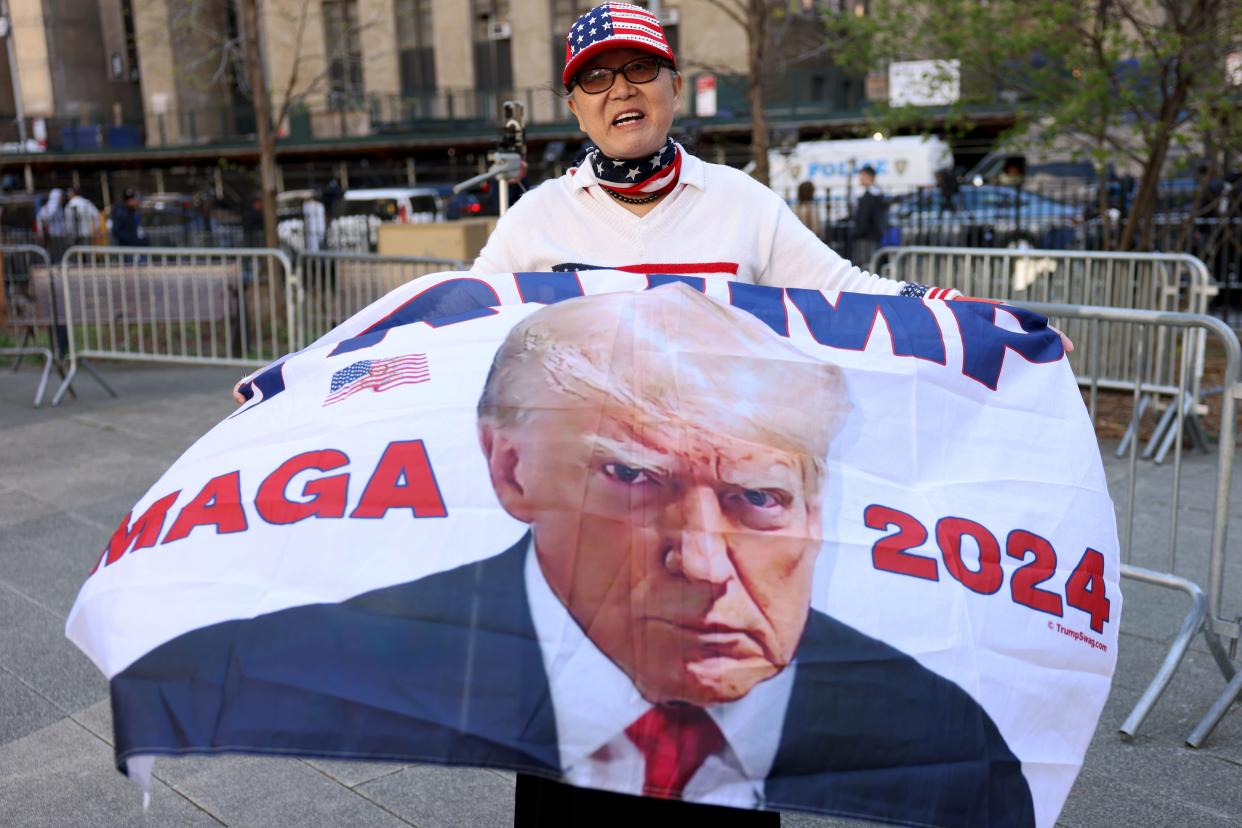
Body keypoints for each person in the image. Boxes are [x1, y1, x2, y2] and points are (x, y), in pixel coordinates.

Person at [125, 286, 1035, 827]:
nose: (706, 562)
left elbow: (847, 298)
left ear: (817, 505)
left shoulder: (951, 731)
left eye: (760, 496)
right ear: (511, 466)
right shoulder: (282, 660)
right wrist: (314, 375)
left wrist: (944, 318)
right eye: (635, 478)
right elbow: (439, 329)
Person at [851, 165, 887, 267]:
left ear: (868, 176)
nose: (860, 178)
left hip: (866, 237)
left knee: (865, 265)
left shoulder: (870, 195)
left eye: (862, 176)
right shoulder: (878, 193)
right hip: (872, 236)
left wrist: (858, 232)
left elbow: (864, 218)